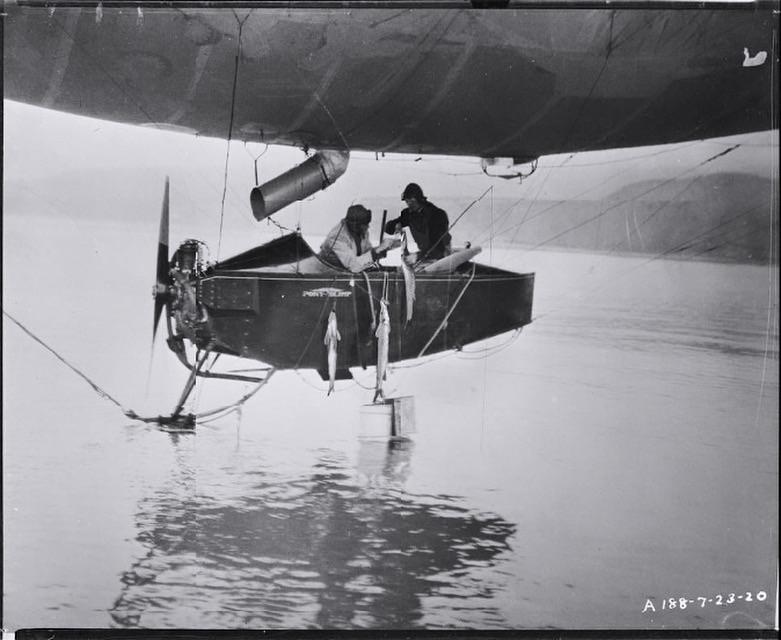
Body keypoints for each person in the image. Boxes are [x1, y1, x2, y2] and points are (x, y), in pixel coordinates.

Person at [319, 204, 400, 272]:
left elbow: (366, 254)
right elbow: (353, 266)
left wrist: (384, 248)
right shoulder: (337, 237)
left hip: (344, 273)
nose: (368, 227)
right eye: (364, 225)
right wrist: (376, 251)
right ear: (355, 225)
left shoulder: (361, 232)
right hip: (326, 274)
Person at [385, 183, 451, 262]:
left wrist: (417, 256)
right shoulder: (409, 214)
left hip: (441, 256)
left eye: (409, 201)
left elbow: (437, 246)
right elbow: (388, 228)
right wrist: (394, 226)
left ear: (415, 200)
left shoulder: (437, 215)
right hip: (424, 255)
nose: (408, 204)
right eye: (407, 202)